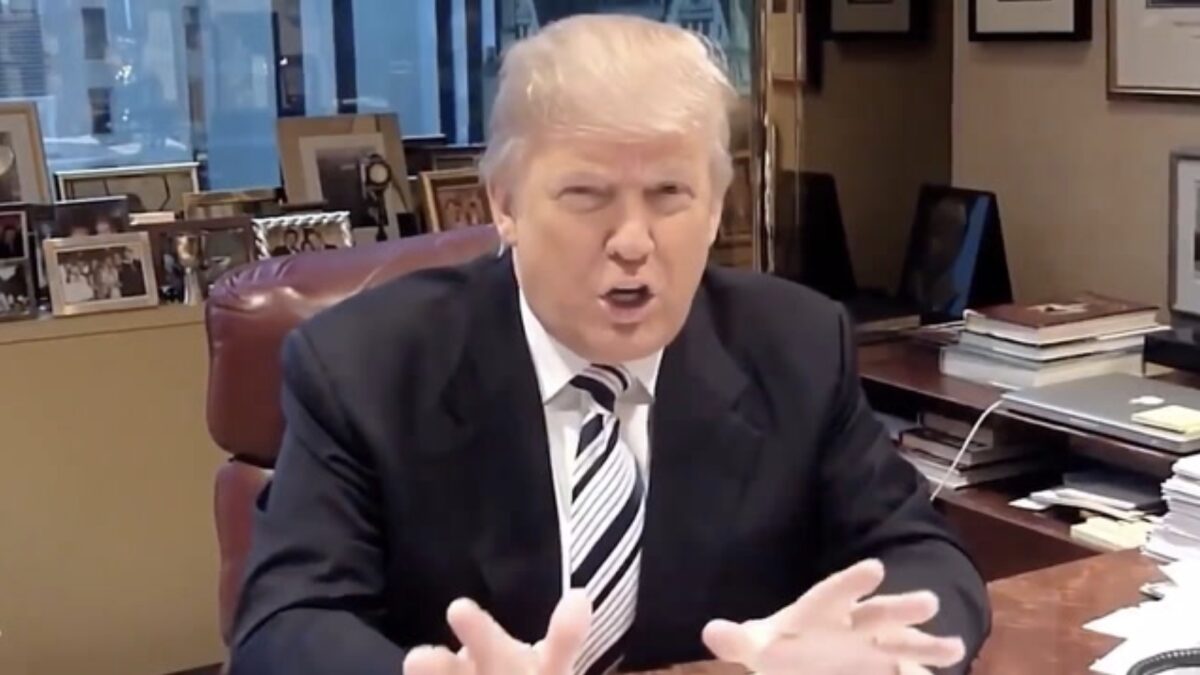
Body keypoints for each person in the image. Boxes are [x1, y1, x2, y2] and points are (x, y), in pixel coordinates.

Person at [230, 15, 988, 675]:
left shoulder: (797, 344)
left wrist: (874, 654)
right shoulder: (365, 367)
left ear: (716, 206)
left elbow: (923, 558)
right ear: (504, 203)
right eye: (587, 196)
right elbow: (284, 625)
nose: (632, 241)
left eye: (669, 195)